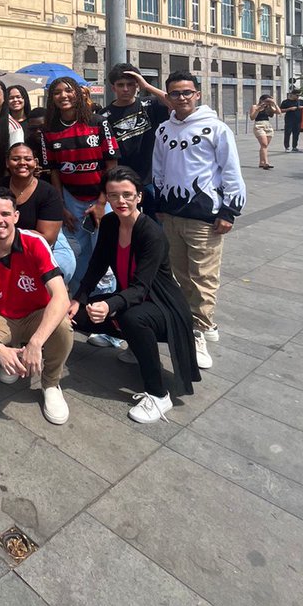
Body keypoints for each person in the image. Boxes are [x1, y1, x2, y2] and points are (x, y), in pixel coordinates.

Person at [71, 168, 200, 423]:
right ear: (106, 198)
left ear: (139, 196)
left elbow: (141, 288)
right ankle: (136, 347)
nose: (121, 202)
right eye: (113, 196)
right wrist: (79, 299)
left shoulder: (151, 233)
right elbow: (96, 264)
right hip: (132, 299)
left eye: (127, 195)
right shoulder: (109, 223)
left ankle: (158, 395)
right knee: (82, 316)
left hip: (164, 308)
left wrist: (109, 305)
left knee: (132, 318)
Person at [152, 72, 246, 369]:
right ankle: (187, 322)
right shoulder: (164, 129)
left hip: (205, 216)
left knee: (204, 276)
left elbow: (230, 170)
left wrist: (229, 210)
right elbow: (159, 167)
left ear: (198, 94)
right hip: (172, 215)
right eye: (175, 93)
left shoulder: (216, 129)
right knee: (179, 275)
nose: (181, 98)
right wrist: (161, 203)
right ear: (167, 97)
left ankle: (201, 329)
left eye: (186, 92)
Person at [0, 187, 74, 425]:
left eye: (5, 213)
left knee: (63, 328)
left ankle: (51, 384)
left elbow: (61, 297)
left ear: (16, 216)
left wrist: (36, 342)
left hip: (36, 313)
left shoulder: (34, 243)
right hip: (3, 316)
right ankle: (12, 355)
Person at [39, 76, 118, 293]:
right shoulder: (48, 130)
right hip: (71, 200)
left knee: (103, 252)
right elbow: (54, 171)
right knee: (77, 253)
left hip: (102, 198)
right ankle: (81, 300)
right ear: (51, 98)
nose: (63, 96)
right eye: (57, 92)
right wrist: (61, 207)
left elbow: (111, 165)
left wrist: (102, 202)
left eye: (68, 90)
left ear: (78, 93)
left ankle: (105, 306)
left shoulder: (98, 122)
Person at [2, 142, 76, 285]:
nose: (22, 163)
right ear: (7, 162)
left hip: (45, 248)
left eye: (27, 159)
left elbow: (46, 239)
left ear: (35, 163)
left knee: (62, 269)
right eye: (16, 159)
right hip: (5, 250)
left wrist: (6, 233)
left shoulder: (48, 193)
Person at [101, 63, 169, 212]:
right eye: (121, 85)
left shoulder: (151, 104)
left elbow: (174, 103)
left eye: (131, 84)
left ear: (137, 85)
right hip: (124, 181)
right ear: (113, 88)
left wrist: (147, 86)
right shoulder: (103, 116)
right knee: (127, 226)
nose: (126, 89)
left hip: (153, 179)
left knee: (155, 228)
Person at [250, 93, 281, 169]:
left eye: (268, 101)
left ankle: (261, 163)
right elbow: (252, 117)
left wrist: (273, 103)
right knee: (264, 144)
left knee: (264, 146)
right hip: (259, 125)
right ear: (261, 100)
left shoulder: (269, 107)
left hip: (268, 126)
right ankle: (266, 163)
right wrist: (258, 109)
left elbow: (279, 112)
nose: (267, 103)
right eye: (266, 101)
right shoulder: (255, 107)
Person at [281, 86, 303, 153]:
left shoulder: (301, 101)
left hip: (298, 120)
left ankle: (294, 147)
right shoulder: (285, 102)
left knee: (296, 134)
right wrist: (289, 109)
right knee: (287, 134)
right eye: (297, 95)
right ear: (292, 94)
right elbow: (280, 110)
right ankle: (287, 147)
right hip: (289, 120)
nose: (298, 97)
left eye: (299, 96)